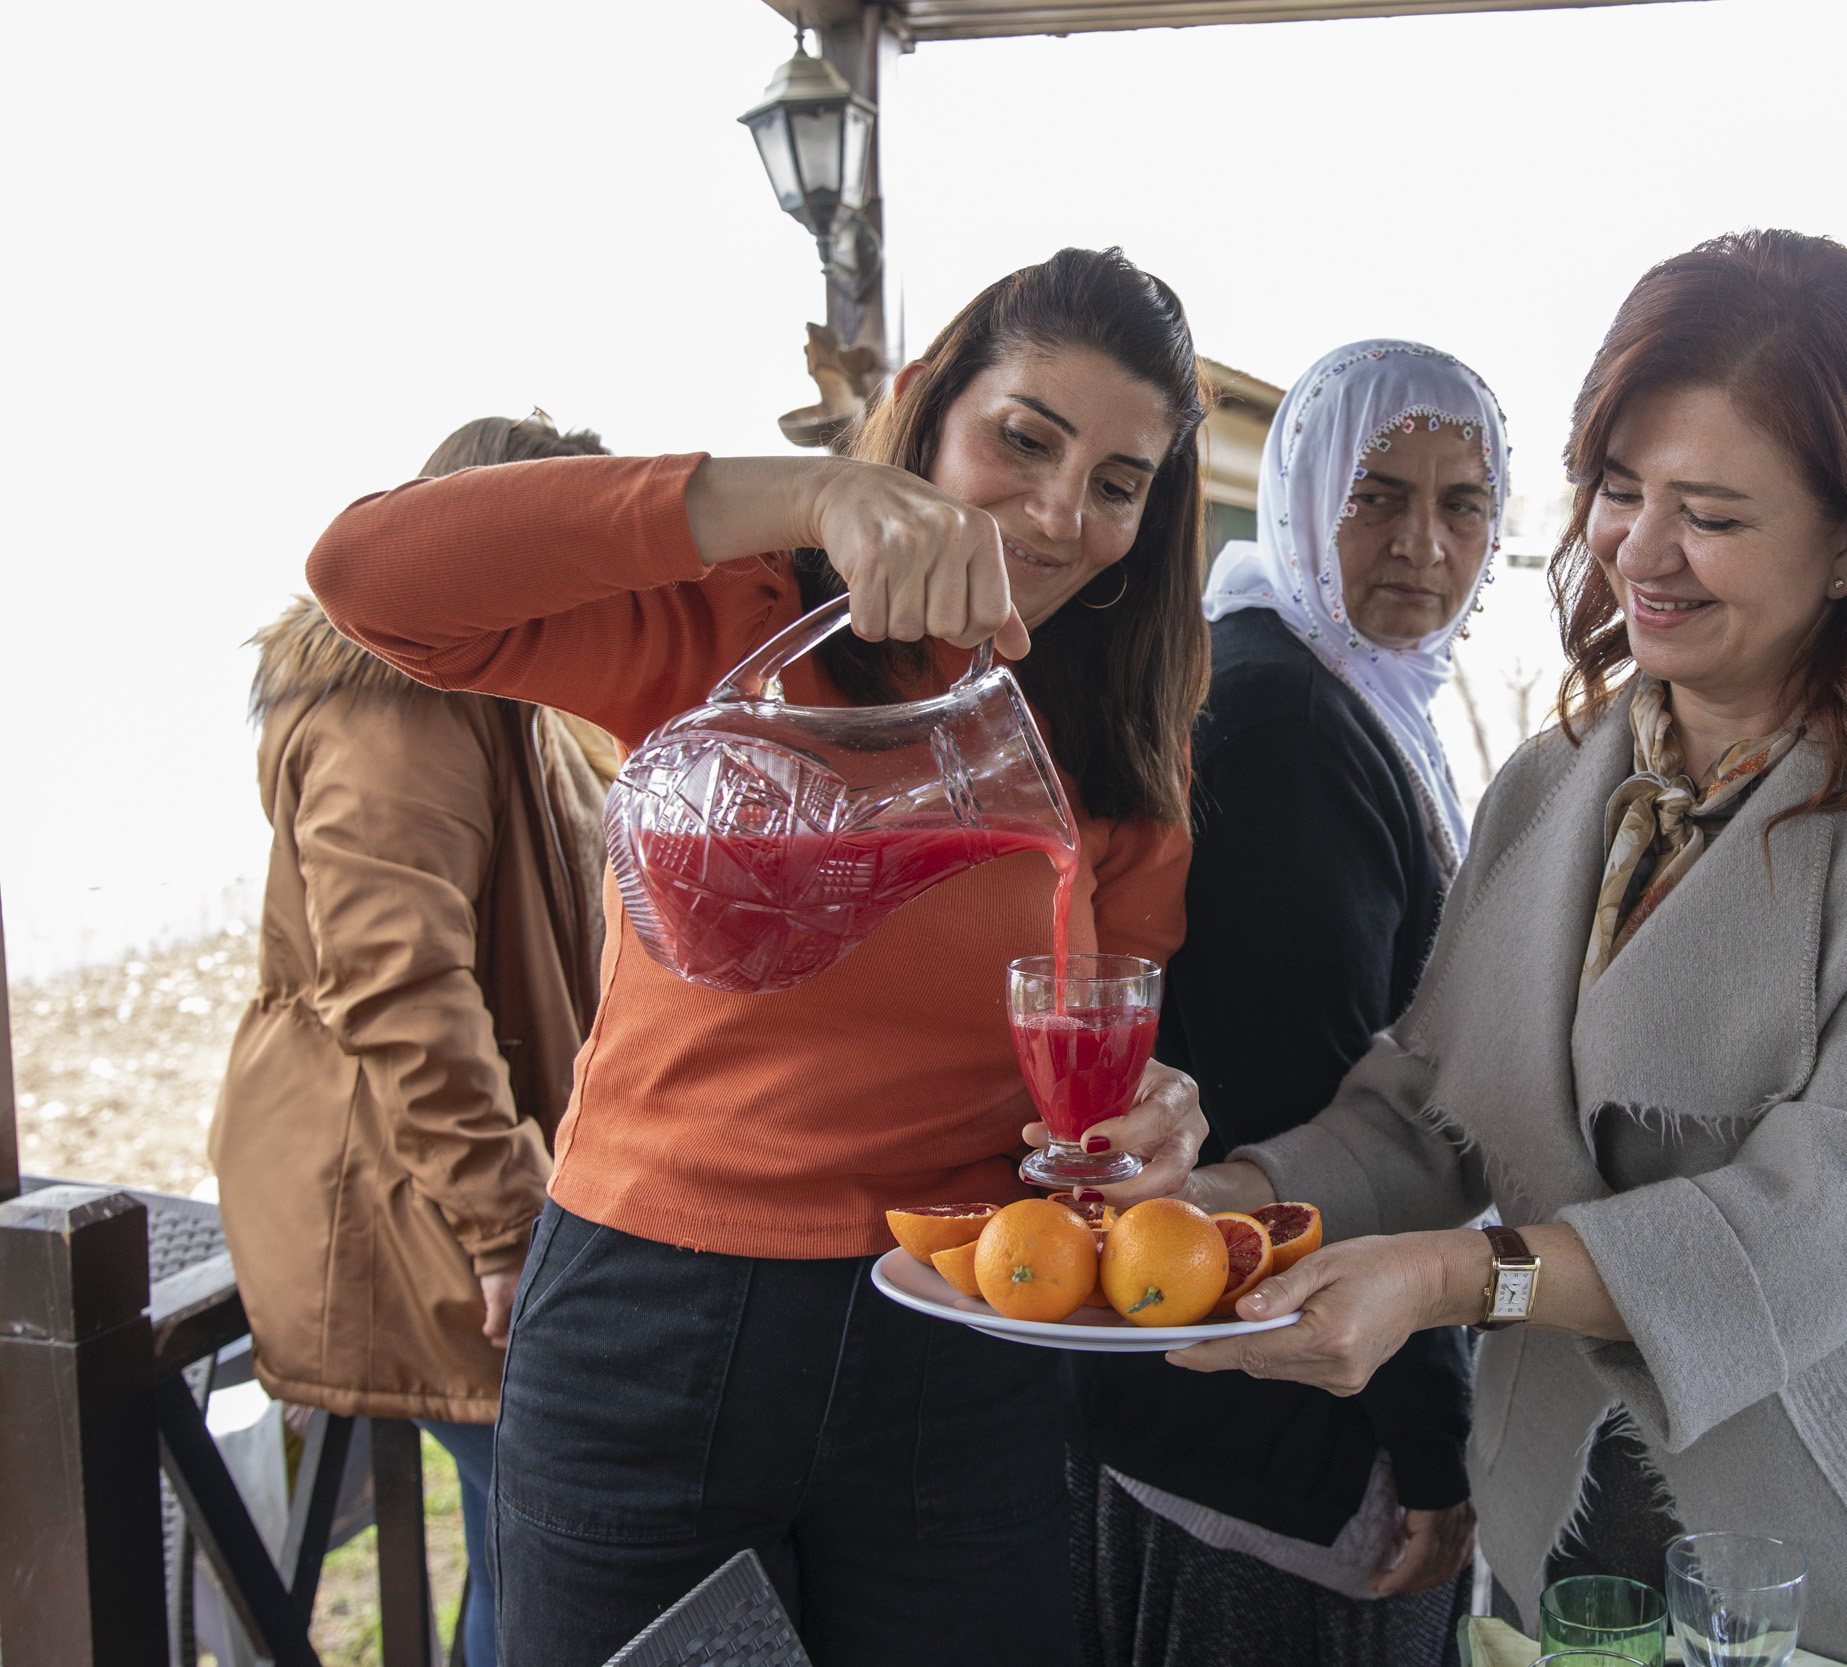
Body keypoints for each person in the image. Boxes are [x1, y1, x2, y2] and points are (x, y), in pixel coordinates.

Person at [1158, 231, 1847, 1667]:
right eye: (1620, 489)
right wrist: (1240, 1189)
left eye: (1707, 510)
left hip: (1833, 1555)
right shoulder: (1555, 774)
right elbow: (1428, 1098)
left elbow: (1810, 1217)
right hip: (1560, 1529)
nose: (1637, 550)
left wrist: (1454, 1278)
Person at [306, 248, 1217, 1665]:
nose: (1058, 509)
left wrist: (1158, 1112)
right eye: (1023, 438)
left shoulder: (1110, 714)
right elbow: (369, 575)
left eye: (1118, 481)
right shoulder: (735, 614)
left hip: (972, 1319)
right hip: (653, 1317)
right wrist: (807, 492)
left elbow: (1113, 1027)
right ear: (921, 407)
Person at [1067, 342, 1504, 1665]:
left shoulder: (1337, 687)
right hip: (1280, 1421)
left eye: (1464, 501)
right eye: (1378, 494)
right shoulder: (1289, 729)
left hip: (1253, 1385)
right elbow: (1322, 1120)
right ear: (1305, 494)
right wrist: (1437, 1446)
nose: (1424, 544)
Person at [213, 414, 617, 1667]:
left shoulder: (504, 690)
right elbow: (401, 985)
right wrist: (504, 1228)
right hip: (403, 1199)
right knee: (555, 1530)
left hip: (442, 1184)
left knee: (534, 1531)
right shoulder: (397, 701)